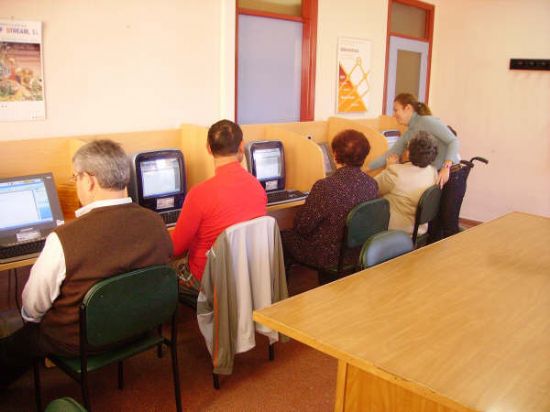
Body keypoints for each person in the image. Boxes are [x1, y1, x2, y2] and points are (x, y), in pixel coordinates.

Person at [0, 139, 172, 386]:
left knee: (13, 345)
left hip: (77, 341)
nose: (76, 183)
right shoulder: (156, 222)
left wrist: (29, 319)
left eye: (75, 178)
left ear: (89, 180)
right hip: (141, 326)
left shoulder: (63, 239)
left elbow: (32, 307)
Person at [171, 119, 267, 305]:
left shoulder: (199, 194)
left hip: (210, 279)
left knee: (167, 268)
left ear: (208, 148)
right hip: (246, 274)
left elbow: (176, 248)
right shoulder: (257, 186)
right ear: (241, 145)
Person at [368, 93, 464, 242]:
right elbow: (389, 154)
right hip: (439, 174)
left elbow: (453, 141)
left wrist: (446, 166)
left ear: (408, 108)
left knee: (448, 224)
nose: (394, 115)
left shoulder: (426, 122)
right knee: (435, 225)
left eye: (396, 110)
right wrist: (363, 169)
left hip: (453, 172)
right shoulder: (410, 132)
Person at [282, 129, 378, 271]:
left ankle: (285, 292)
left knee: (283, 236)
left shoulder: (325, 187)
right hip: (359, 251)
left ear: (335, 155)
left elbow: (302, 227)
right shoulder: (372, 184)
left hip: (328, 256)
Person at [375, 131, 438, 235]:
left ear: (408, 152)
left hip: (394, 232)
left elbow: (370, 188)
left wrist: (388, 167)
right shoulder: (432, 171)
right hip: (419, 231)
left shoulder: (395, 173)